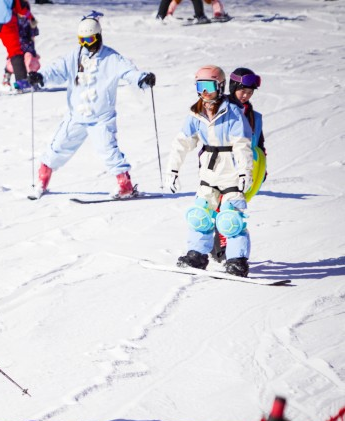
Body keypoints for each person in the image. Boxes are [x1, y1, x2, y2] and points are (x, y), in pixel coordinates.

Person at [28, 12, 156, 198]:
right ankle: (42, 180)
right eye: (82, 40)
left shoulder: (111, 58)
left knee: (108, 150)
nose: (86, 45)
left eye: (89, 39)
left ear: (98, 36)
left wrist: (142, 79)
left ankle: (125, 185)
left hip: (101, 117)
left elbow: (129, 71)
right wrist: (41, 76)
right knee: (58, 147)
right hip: (76, 117)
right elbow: (57, 69)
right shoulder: (75, 56)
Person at [166, 66, 254, 277]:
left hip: (231, 172)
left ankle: (237, 261)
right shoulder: (196, 114)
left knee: (231, 219)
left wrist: (245, 172)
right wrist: (173, 170)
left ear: (220, 86)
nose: (204, 92)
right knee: (200, 215)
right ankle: (197, 256)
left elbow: (242, 144)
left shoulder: (232, 112)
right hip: (208, 172)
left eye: (209, 86)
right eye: (200, 86)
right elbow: (181, 143)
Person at [212, 67, 265, 262]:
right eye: (242, 90)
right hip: (220, 167)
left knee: (232, 210)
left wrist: (260, 170)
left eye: (250, 92)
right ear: (233, 87)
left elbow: (259, 145)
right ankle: (220, 249)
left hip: (242, 169)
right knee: (218, 208)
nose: (246, 95)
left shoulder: (255, 117)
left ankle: (231, 253)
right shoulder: (219, 108)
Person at [2, 1, 41, 88]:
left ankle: (32, 79)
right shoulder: (14, 20)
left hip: (27, 47)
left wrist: (32, 48)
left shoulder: (29, 21)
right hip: (16, 46)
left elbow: (33, 36)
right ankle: (7, 77)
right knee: (13, 62)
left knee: (29, 62)